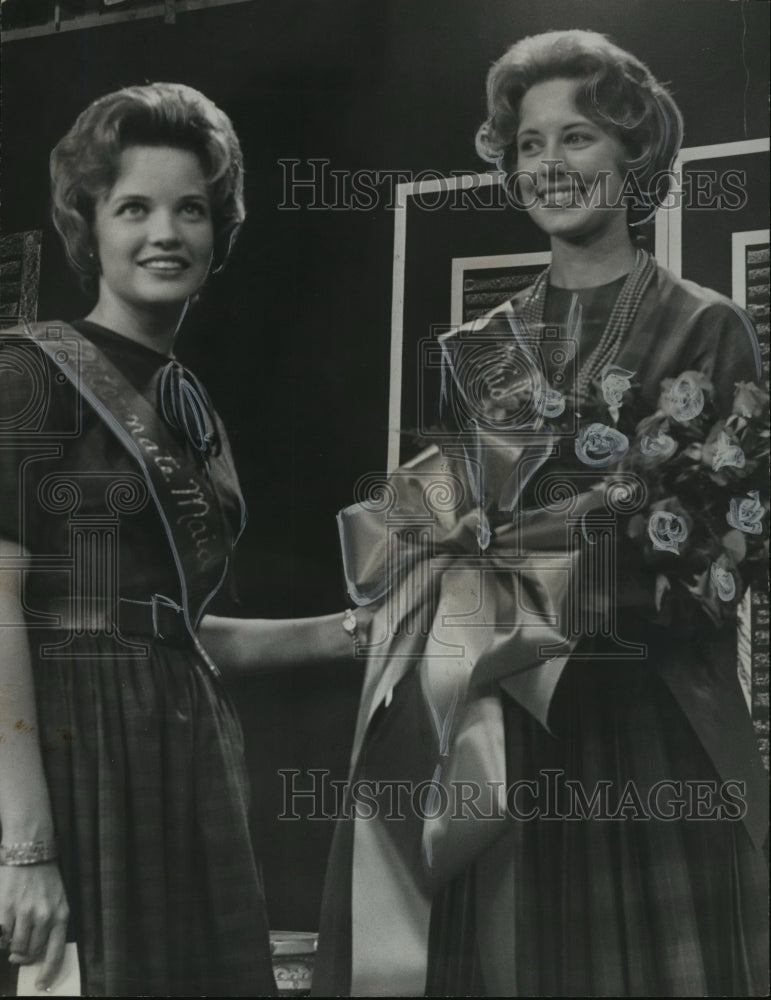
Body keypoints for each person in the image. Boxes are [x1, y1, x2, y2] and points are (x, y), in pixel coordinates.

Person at [313, 29, 768, 998]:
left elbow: (727, 552)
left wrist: (559, 573)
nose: (549, 165)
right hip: (504, 732)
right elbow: (444, 528)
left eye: (579, 137)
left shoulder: (706, 324)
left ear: (634, 155)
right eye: (528, 143)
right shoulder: (479, 345)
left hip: (651, 727)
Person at [0, 82, 360, 997]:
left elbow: (178, 635)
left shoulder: (190, 406)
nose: (165, 233)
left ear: (217, 231)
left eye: (189, 209)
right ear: (89, 225)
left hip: (187, 746)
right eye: (134, 208)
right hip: (71, 754)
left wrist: (353, 631)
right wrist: (25, 846)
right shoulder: (27, 374)